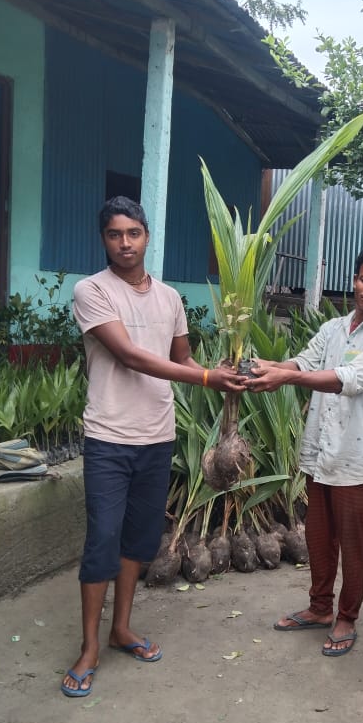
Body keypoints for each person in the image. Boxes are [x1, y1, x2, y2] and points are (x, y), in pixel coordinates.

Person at [61, 196, 250, 697]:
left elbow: (182, 360)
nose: (124, 243)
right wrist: (207, 378)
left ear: (147, 235)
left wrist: (224, 374)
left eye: (133, 233)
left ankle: (121, 629)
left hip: (157, 437)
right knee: (102, 540)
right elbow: (130, 356)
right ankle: (89, 647)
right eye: (114, 234)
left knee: (139, 541)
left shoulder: (169, 298)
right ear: (104, 239)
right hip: (109, 437)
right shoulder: (91, 291)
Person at [247, 246, 363, 656]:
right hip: (320, 453)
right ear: (354, 279)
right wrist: (266, 366)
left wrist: (283, 379)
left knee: (353, 544)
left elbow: (345, 379)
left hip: (356, 458)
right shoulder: (334, 328)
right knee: (318, 537)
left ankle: (347, 616)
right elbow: (304, 362)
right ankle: (320, 608)